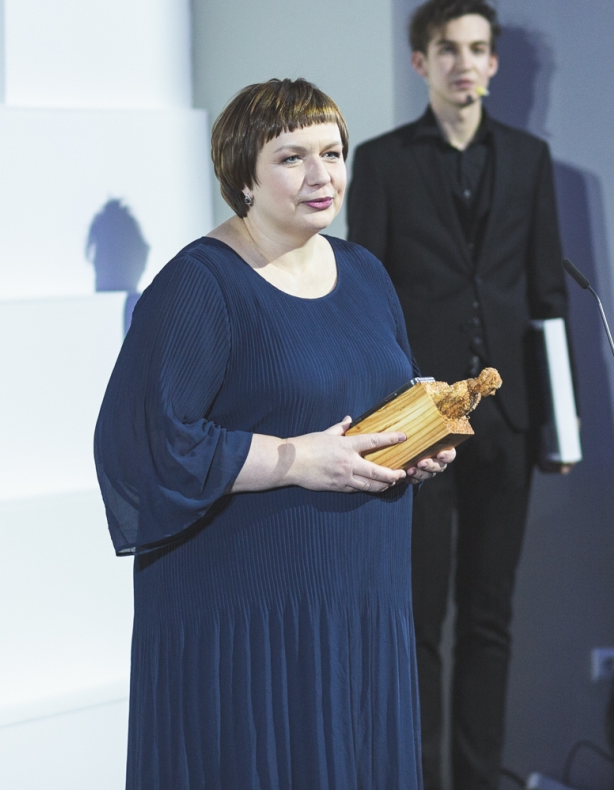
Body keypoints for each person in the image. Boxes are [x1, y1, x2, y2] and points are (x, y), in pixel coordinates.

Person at [94, 77, 457, 790]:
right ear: (244, 177)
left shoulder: (365, 272)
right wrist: (294, 459)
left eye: (333, 153)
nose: (322, 175)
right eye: (292, 158)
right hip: (249, 610)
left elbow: (370, 407)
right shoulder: (200, 283)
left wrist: (414, 445)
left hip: (361, 595)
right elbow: (144, 443)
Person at [347, 0, 570, 790]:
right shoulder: (382, 162)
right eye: (448, 49)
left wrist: (563, 429)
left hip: (508, 421)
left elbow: (548, 297)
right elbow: (365, 301)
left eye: (477, 49)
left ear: (495, 63)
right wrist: (376, 422)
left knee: (489, 618)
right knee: (417, 620)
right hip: (416, 424)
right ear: (422, 61)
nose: (463, 64)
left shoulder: (530, 160)